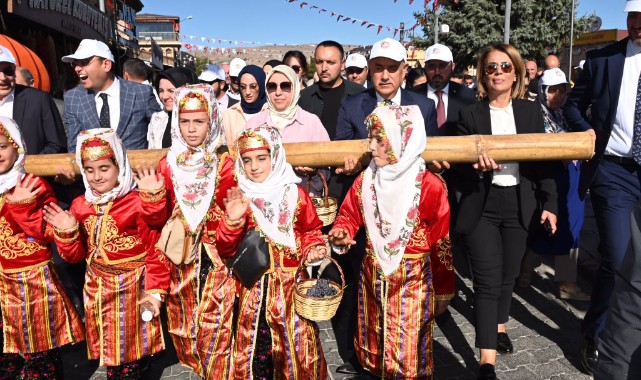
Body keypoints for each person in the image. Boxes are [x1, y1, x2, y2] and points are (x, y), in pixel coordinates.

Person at [331, 37, 438, 375]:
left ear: (404, 71)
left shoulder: (428, 181)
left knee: (409, 337)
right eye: (378, 68)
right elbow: (348, 207)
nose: (385, 75)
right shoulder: (353, 107)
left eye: (393, 68)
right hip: (373, 254)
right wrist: (342, 230)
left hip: (412, 273)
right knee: (372, 323)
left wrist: (434, 267)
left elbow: (440, 227)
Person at [454, 44, 558, 380]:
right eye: (490, 68)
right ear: (483, 75)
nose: (498, 72)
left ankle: (500, 325)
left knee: (508, 276)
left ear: (515, 72)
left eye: (504, 66)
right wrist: (476, 167)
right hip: (482, 205)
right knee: (487, 281)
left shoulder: (529, 113)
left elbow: (544, 162)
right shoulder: (470, 114)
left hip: (520, 203)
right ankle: (487, 362)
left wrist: (550, 205)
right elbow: (457, 170)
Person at [328, 105, 453, 378]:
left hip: (413, 281)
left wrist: (443, 289)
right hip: (373, 277)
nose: (371, 147)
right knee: (375, 343)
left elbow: (441, 241)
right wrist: (341, 231)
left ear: (402, 140)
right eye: (371, 139)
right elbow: (349, 214)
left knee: (408, 352)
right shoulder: (367, 180)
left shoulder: (429, 185)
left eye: (379, 140)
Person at [45, 128, 170, 378]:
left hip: (133, 290)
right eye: (89, 170)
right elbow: (75, 256)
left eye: (104, 168)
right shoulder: (81, 205)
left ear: (119, 165)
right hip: (98, 292)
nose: (96, 177)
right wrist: (67, 232)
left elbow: (156, 248)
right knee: (112, 359)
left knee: (134, 358)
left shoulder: (135, 201)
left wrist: (155, 292)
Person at [563, 1, 641, 374]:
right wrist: (585, 130)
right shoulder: (603, 59)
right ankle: (595, 334)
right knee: (619, 255)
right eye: (633, 17)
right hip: (615, 172)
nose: (638, 24)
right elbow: (572, 106)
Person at [217, 125, 329, 379]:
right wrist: (232, 222)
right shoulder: (239, 196)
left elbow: (311, 229)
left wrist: (314, 248)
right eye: (247, 160)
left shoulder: (295, 194)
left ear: (275, 156)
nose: (254, 167)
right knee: (257, 354)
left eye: (261, 158)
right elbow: (224, 248)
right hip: (252, 294)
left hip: (291, 291)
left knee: (297, 352)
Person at [156, 84, 236, 378]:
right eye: (184, 121)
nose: (191, 130)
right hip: (181, 263)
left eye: (199, 121)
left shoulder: (226, 164)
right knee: (187, 331)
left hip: (218, 264)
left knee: (218, 333)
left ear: (212, 121)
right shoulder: (168, 164)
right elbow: (157, 217)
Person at [0, 116, 85, 379]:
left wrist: (23, 207)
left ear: (18, 147)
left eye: (2, 146)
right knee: (8, 349)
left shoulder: (33, 184)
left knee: (39, 346)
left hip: (31, 280)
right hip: (2, 281)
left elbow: (45, 232)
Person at [518, 68, 590, 301]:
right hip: (548, 176)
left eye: (563, 90)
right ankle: (528, 271)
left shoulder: (568, 113)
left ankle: (565, 282)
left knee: (571, 227)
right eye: (553, 90)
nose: (559, 95)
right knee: (545, 225)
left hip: (571, 176)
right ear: (541, 91)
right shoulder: (534, 115)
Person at [62, 39, 161, 152]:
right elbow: (74, 147)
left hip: (135, 168)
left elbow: (160, 135)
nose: (77, 69)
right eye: (75, 64)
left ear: (106, 65)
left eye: (84, 62)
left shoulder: (141, 93)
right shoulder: (73, 98)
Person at [244, 65, 330, 194]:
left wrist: (314, 171)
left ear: (294, 88)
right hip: (263, 200)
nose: (278, 92)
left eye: (285, 86)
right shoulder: (254, 124)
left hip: (302, 200)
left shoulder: (311, 122)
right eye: (272, 86)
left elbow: (328, 164)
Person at [0, 45, 67, 155]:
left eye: (8, 71)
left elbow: (57, 144)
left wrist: (32, 168)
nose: (3, 78)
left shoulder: (38, 100)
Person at [298, 40, 365, 141]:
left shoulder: (360, 93)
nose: (324, 68)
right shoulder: (304, 97)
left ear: (342, 65)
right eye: (319, 62)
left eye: (331, 62)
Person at [149, 67, 198, 149]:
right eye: (161, 91)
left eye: (171, 91)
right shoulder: (157, 119)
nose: (164, 96)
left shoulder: (204, 119)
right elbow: (151, 152)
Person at [221, 65, 267, 148]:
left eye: (253, 86)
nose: (247, 92)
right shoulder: (229, 115)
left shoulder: (270, 112)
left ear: (261, 86)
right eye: (243, 87)